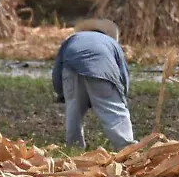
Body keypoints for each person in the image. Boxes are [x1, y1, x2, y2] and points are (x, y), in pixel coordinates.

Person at [52, 18, 135, 150]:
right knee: (112, 110)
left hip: (71, 69)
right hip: (102, 71)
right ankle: (126, 148)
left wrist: (61, 93)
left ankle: (74, 149)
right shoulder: (112, 43)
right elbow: (123, 74)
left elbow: (57, 68)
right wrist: (122, 97)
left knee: (74, 109)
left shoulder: (72, 38)